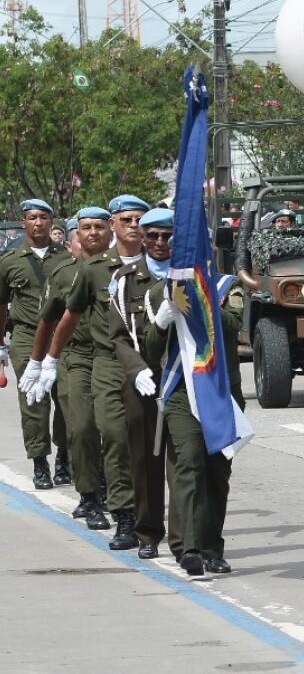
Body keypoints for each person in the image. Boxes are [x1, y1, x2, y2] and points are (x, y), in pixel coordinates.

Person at [32, 194, 150, 551]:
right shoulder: (87, 271)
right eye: (88, 227)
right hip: (97, 361)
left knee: (148, 445)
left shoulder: (160, 264)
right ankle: (115, 510)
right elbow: (59, 318)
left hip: (150, 363)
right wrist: (45, 361)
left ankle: (157, 519)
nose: (132, 227)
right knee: (101, 432)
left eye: (138, 221)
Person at [143, 249, 246, 575]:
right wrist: (161, 322)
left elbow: (232, 324)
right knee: (189, 464)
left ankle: (213, 548)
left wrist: (201, 304)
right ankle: (190, 548)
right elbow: (151, 349)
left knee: (217, 474)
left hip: (219, 393)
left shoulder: (227, 286)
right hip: (181, 394)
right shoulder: (160, 291)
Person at [32, 207, 111, 530]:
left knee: (116, 431)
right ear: (76, 235)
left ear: (110, 232)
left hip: (115, 357)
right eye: (85, 228)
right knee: (81, 428)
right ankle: (90, 496)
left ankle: (114, 493)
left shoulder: (121, 270)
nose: (93, 233)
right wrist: (40, 362)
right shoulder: (64, 273)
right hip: (76, 359)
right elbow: (47, 319)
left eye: (99, 227)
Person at [108, 207, 174, 558]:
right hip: (143, 379)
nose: (160, 243)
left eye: (167, 236)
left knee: (183, 459)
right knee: (145, 457)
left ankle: (186, 537)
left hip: (181, 376)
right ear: (142, 238)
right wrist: (136, 370)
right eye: (153, 236)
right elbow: (117, 336)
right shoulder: (124, 279)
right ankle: (148, 533)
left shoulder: (189, 276)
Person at [1, 199, 73, 489]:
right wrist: (1, 347)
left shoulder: (67, 258)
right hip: (26, 336)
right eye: (32, 217)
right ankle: (40, 462)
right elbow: (1, 305)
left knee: (67, 398)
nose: (38, 223)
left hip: (62, 337)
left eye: (43, 217)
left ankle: (64, 460)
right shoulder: (9, 261)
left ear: (51, 222)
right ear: (24, 222)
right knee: (34, 402)